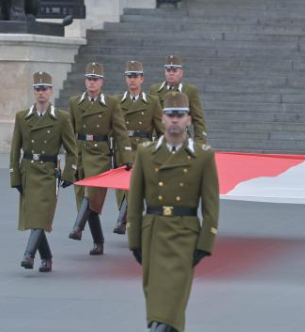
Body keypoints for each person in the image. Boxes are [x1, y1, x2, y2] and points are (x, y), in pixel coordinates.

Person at [127, 91, 219, 332]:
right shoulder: (145, 152)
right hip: (153, 229)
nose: (175, 120)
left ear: (189, 120)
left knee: (172, 293)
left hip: (184, 232)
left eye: (180, 115)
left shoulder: (203, 156)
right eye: (170, 115)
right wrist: (134, 240)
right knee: (156, 295)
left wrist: (205, 242)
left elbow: (211, 204)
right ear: (162, 118)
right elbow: (135, 199)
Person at [10, 71, 77, 272]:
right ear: (34, 92)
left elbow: (72, 151)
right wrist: (15, 176)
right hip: (28, 170)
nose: (41, 92)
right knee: (34, 217)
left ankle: (29, 254)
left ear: (51, 91)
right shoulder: (22, 117)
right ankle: (46, 256)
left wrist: (68, 173)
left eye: (45, 89)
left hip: (49, 172)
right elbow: (15, 149)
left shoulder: (61, 118)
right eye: (38, 89)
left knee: (41, 215)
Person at [67, 62, 132, 255]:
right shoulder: (75, 102)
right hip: (80, 152)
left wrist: (127, 156)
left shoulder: (111, 103)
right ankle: (98, 241)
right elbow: (69, 132)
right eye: (89, 79)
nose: (91, 83)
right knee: (86, 200)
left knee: (92, 192)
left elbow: (120, 132)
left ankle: (77, 227)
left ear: (102, 82)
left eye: (95, 79)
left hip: (99, 153)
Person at [113, 61, 164, 235]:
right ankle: (129, 221)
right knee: (124, 188)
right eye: (129, 76)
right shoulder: (117, 101)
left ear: (142, 79)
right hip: (123, 148)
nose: (132, 80)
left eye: (135, 76)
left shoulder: (152, 102)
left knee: (134, 186)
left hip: (143, 149)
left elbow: (161, 129)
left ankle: (123, 221)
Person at [148, 55, 207, 144]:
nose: (171, 73)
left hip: (182, 139)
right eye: (168, 70)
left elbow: (198, 119)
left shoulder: (189, 91)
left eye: (174, 70)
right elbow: (149, 118)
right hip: (159, 139)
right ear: (165, 72)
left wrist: (200, 143)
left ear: (181, 73)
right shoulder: (154, 90)